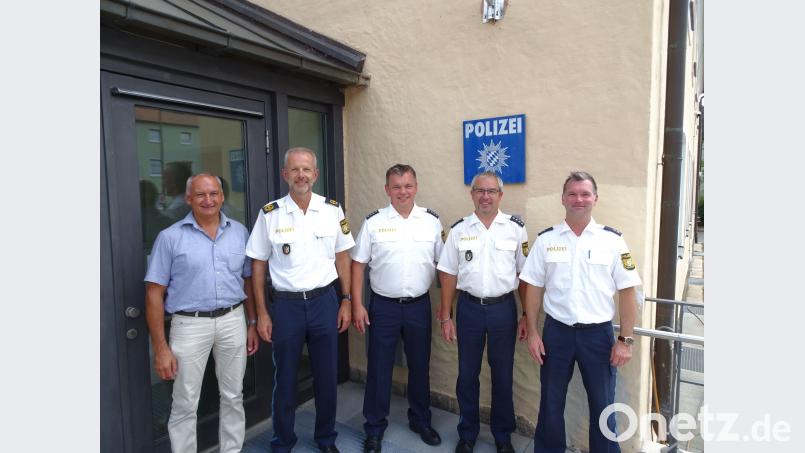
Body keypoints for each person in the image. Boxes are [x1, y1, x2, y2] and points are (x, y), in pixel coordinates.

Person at [519, 171, 641, 453]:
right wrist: (534, 332)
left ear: (595, 199)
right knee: (551, 402)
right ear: (563, 199)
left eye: (585, 194)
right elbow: (534, 287)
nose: (579, 199)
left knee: (603, 405)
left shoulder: (612, 241)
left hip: (598, 336)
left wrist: (625, 340)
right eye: (572, 194)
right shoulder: (547, 240)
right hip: (556, 333)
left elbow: (628, 291)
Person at [245, 147, 354, 453]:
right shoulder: (270, 214)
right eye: (294, 170)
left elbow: (342, 256)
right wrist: (263, 314)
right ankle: (283, 441)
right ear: (285, 175)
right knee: (286, 381)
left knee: (326, 377)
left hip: (324, 303)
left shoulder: (333, 210)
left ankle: (325, 438)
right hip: (287, 307)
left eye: (306, 169)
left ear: (315, 175)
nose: (301, 175)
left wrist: (345, 300)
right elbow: (258, 265)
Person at [144, 173, 259, 453]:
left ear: (222, 197)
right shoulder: (169, 238)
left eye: (213, 194)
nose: (208, 200)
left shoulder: (239, 231)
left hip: (233, 320)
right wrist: (160, 347)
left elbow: (247, 281)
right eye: (200, 195)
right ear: (188, 199)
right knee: (185, 402)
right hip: (189, 325)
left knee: (233, 396)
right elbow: (153, 293)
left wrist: (252, 322)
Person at [350, 164, 445, 453]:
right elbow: (358, 265)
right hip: (383, 307)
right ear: (387, 189)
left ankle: (420, 419)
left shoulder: (431, 222)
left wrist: (446, 308)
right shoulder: (374, 222)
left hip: (419, 306)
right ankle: (374, 428)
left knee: (420, 366)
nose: (402, 191)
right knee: (379, 369)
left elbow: (444, 267)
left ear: (416, 187)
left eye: (407, 185)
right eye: (396, 186)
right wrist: (357, 304)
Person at [436, 171, 529, 453]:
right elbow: (448, 273)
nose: (485, 196)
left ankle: (503, 436)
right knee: (467, 374)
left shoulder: (515, 229)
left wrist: (526, 315)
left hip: (503, 309)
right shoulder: (460, 229)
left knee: (502, 374)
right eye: (480, 190)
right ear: (472, 194)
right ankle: (467, 434)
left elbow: (525, 275)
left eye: (491, 191)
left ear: (501, 195)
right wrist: (446, 316)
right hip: (469, 310)